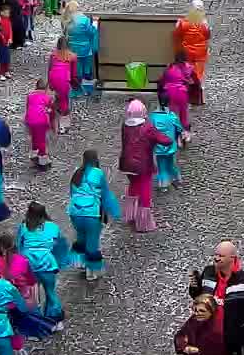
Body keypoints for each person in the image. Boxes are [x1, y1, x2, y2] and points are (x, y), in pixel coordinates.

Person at [118, 99, 173, 232]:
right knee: (144, 191)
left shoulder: (125, 126)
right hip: (143, 165)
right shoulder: (147, 127)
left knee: (133, 187)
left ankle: (130, 214)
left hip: (126, 164)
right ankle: (144, 223)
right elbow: (165, 140)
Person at [64, 149, 119, 280]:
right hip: (92, 214)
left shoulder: (77, 173)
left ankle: (81, 263)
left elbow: (72, 193)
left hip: (75, 213)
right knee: (92, 241)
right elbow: (105, 194)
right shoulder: (98, 173)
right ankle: (91, 271)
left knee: (81, 236)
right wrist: (114, 211)